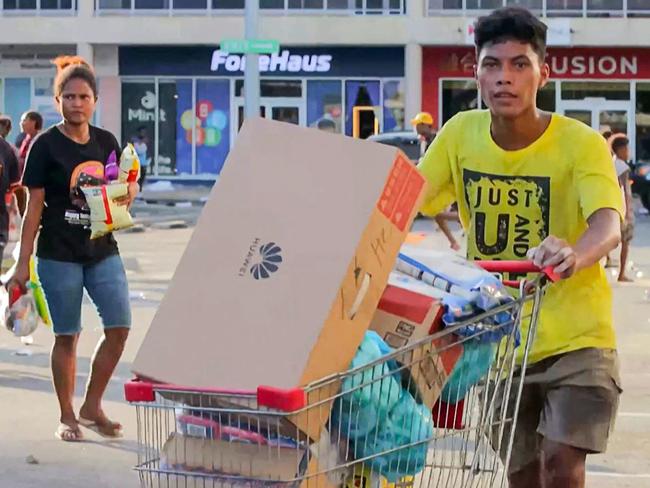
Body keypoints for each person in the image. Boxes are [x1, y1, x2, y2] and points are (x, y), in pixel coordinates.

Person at [418, 7, 622, 488]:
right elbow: (406, 198)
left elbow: (608, 223)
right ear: (477, 73)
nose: (504, 78)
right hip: (497, 342)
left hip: (578, 340)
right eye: (492, 65)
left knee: (561, 462)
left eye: (519, 64)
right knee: (524, 475)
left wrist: (575, 253)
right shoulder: (459, 135)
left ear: (542, 74)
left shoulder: (581, 143)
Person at [8, 55, 139, 442]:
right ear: (57, 100)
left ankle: (91, 405)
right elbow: (33, 209)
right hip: (57, 254)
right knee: (68, 335)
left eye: (83, 96)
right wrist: (21, 262)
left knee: (119, 326)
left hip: (102, 250)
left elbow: (120, 194)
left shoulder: (106, 142)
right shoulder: (45, 147)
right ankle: (67, 415)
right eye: (69, 96)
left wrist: (130, 192)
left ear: (95, 100)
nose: (77, 103)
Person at [411, 111, 461, 251]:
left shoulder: (436, 140)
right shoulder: (425, 141)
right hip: (442, 184)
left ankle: (460, 230)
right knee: (436, 213)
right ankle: (454, 242)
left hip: (447, 184)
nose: (415, 128)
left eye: (417, 125)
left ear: (424, 125)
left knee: (437, 213)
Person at [611, 135, 634, 282]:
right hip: (622, 208)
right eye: (626, 149)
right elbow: (625, 191)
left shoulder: (610, 163)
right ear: (620, 150)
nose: (628, 152)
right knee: (625, 242)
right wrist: (628, 213)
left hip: (612, 207)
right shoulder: (623, 167)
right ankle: (621, 273)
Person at [13, 111, 44, 215]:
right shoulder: (26, 139)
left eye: (24, 120)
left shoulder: (39, 140)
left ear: (33, 122)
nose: (21, 123)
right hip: (23, 183)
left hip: (34, 185)